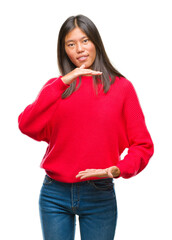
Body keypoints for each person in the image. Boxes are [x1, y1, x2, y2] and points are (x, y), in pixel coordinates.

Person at [18, 14, 154, 240]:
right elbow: (26, 125)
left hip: (99, 193)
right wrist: (62, 83)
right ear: (64, 51)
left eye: (85, 40)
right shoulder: (57, 88)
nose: (79, 49)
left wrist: (119, 169)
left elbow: (143, 145)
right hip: (54, 193)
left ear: (96, 43)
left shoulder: (122, 88)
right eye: (71, 44)